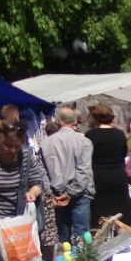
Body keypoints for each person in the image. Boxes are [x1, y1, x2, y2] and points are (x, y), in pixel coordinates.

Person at [0, 120, 44, 261]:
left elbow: (37, 183)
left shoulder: (26, 156)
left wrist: (32, 193)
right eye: (8, 145)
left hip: (23, 218)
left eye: (17, 146)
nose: (13, 150)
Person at [40, 106, 95, 247]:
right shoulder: (84, 142)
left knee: (64, 238)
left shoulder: (45, 143)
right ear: (75, 121)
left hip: (57, 193)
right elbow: (83, 171)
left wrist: (51, 192)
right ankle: (82, 260)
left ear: (57, 122)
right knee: (81, 236)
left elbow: (42, 172)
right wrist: (70, 193)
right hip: (80, 193)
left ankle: (66, 259)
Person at [86, 104, 130, 226]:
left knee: (100, 212)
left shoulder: (90, 135)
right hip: (118, 175)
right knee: (120, 212)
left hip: (98, 177)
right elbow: (123, 153)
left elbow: (88, 157)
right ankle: (122, 236)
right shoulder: (120, 134)